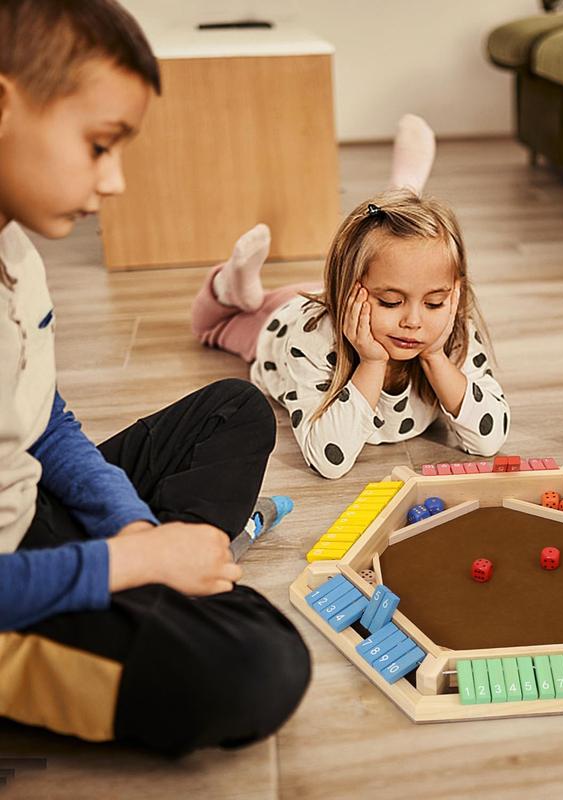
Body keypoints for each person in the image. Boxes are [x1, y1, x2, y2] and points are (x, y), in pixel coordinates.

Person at [0, 0, 309, 755]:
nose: (115, 181)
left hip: (25, 508)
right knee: (261, 665)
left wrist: (131, 524)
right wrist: (130, 562)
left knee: (236, 408)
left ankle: (167, 567)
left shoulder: (17, 251)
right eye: (100, 144)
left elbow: (40, 418)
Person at [191, 117, 510, 478]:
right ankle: (231, 284)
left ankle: (402, 194)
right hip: (282, 319)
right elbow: (329, 460)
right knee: (213, 325)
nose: (414, 321)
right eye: (391, 302)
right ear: (349, 291)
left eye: (434, 303)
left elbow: (488, 440)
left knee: (390, 258)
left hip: (350, 288)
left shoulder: (451, 330)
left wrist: (436, 356)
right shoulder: (312, 336)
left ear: (454, 294)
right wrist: (372, 363)